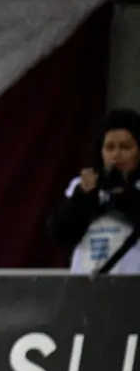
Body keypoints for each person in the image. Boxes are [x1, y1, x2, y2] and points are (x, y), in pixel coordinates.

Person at [50, 108, 140, 275]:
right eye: (110, 147)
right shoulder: (81, 185)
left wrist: (122, 194)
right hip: (87, 281)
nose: (116, 154)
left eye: (125, 147)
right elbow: (60, 234)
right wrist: (83, 198)